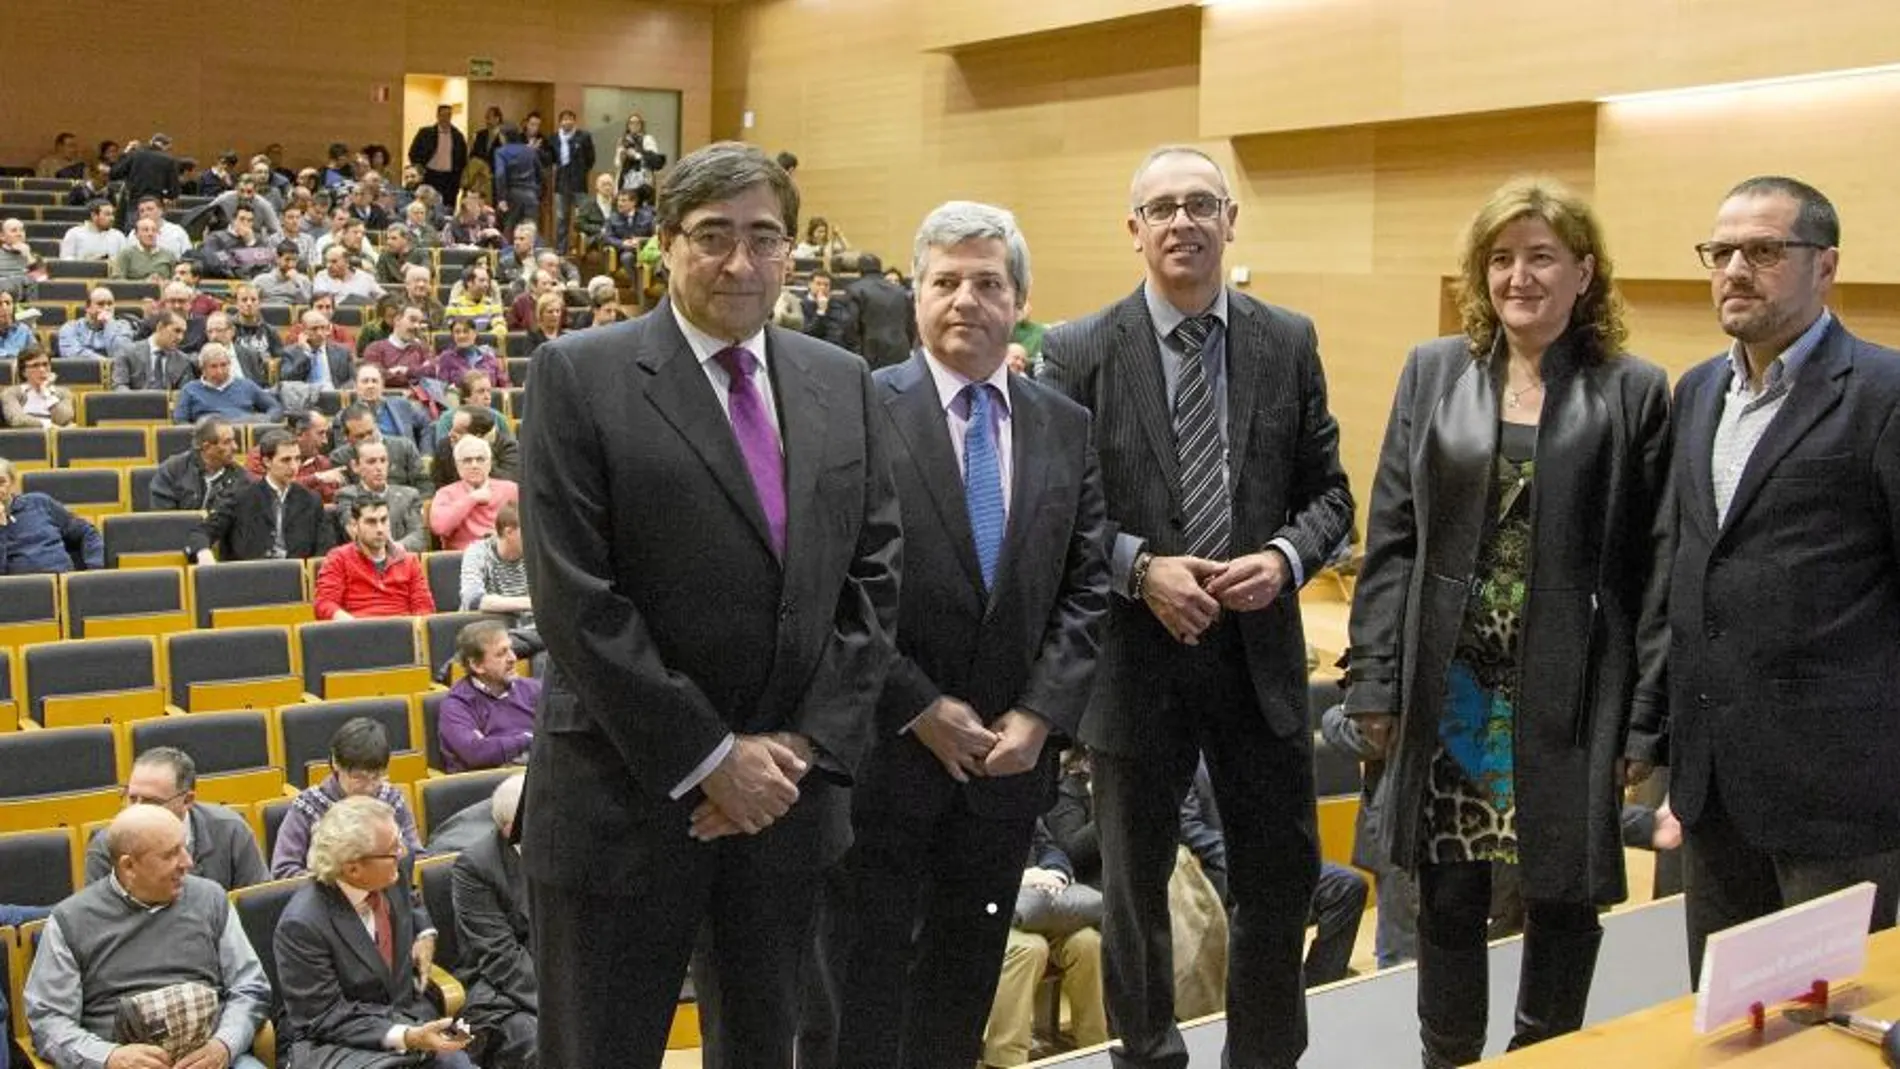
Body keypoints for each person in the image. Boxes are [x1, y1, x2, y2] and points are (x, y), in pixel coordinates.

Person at [520, 141, 902, 1068]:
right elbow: (578, 599)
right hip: (625, 797)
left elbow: (876, 572)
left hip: (785, 806)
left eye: (764, 237)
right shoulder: (579, 371)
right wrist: (709, 756)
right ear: (664, 243)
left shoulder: (837, 377)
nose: (741, 262)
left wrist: (801, 748)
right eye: (714, 236)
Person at [1036, 145, 1354, 1069]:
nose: (1184, 222)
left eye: (1201, 204)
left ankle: (1263, 1057)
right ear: (1133, 228)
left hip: (1260, 660)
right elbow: (1057, 508)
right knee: (1137, 900)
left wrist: (1285, 557)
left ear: (1229, 222)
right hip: (1134, 664)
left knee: (1278, 880)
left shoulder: (1286, 339)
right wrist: (1140, 570)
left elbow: (1331, 495)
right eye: (1163, 207)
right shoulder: (1080, 348)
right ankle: (1147, 1057)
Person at [1345, 177, 1669, 1063]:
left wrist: (1644, 717)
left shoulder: (1635, 390)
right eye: (1500, 258)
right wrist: (1373, 679)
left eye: (1540, 257)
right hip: (1451, 680)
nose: (1518, 276)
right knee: (1446, 895)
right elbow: (1394, 538)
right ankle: (1446, 1055)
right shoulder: (1433, 369)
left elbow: (1653, 572)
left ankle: (1543, 1052)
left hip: (1570, 688)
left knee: (1562, 897)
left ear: (1584, 272)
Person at [822, 201, 1109, 1069]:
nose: (966, 300)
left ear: (1020, 299)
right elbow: (833, 582)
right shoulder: (859, 409)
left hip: (1006, 772)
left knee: (960, 993)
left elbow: (1087, 583)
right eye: (945, 281)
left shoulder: (1064, 424)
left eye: (989, 283)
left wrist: (1039, 714)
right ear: (915, 296)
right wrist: (919, 705)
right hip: (885, 758)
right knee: (862, 1001)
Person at [1628, 175, 1900, 987]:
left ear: (1826, 266)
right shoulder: (1698, 392)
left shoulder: (1885, 394)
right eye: (1722, 251)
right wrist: (1653, 734)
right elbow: (1684, 575)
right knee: (1725, 1023)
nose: (1735, 269)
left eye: (1764, 250)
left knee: (1828, 1026)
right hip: (1713, 796)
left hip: (1842, 799)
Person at [25, 806, 271, 1069]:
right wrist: (108, 1057)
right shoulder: (71, 920)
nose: (187, 862)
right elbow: (48, 1020)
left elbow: (250, 987)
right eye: (170, 855)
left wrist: (225, 1044)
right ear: (129, 866)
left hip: (210, 1055)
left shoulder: (211, 898)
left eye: (184, 847)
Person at [274, 796, 473, 1069]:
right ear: (353, 868)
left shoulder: (394, 869)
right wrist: (406, 1036)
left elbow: (411, 900)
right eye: (393, 850)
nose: (403, 852)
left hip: (407, 1016)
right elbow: (324, 1017)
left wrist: (425, 932)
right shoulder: (302, 925)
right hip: (340, 1043)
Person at [82, 746, 269, 890]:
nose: (138, 810)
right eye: (132, 798)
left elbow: (255, 904)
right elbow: (99, 924)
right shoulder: (106, 845)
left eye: (151, 801)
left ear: (187, 800)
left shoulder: (231, 830)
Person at [451, 772, 537, 1068]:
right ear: (512, 829)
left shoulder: (567, 847)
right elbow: (499, 956)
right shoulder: (476, 867)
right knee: (542, 1043)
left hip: (563, 977)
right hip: (503, 989)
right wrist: (559, 1003)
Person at [271, 718, 426, 878]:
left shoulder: (392, 798)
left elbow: (416, 857)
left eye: (377, 776)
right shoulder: (308, 805)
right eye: (359, 777)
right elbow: (283, 871)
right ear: (336, 763)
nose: (369, 786)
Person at [189, 428, 336, 563]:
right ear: (267, 461)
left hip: (295, 581)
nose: (293, 467)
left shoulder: (311, 500)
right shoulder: (240, 497)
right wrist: (204, 553)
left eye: (297, 459)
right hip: (249, 580)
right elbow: (201, 533)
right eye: (286, 460)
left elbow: (325, 549)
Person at [439, 620, 542, 773]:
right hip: (486, 787)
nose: (513, 658)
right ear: (477, 665)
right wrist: (527, 739)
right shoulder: (457, 705)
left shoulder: (534, 689)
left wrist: (502, 746)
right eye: (501, 654)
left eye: (511, 649)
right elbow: (475, 752)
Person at [314, 496, 435, 621]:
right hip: (357, 631)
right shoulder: (338, 558)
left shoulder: (409, 560)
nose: (380, 529)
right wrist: (351, 625)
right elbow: (324, 603)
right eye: (371, 522)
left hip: (402, 631)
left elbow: (424, 607)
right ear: (354, 525)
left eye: (384, 520)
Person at [0, 457, 103, 575]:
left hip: (63, 580)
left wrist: (94, 570)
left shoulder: (39, 502)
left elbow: (87, 532)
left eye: (1, 482)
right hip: (21, 589)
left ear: (12, 483)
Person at [334, 439, 427, 553]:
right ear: (355, 466)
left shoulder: (409, 496)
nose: (379, 468)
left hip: (401, 561)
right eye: (371, 462)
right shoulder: (346, 495)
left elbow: (418, 537)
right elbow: (355, 532)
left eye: (383, 460)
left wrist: (396, 548)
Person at [429, 435, 518, 551]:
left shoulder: (511, 489)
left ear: (490, 463)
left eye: (480, 459)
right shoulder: (446, 493)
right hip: (461, 559)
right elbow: (440, 528)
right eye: (467, 460)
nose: (474, 465)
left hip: (506, 557)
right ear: (457, 465)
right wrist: (472, 499)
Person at [152, 416, 251, 513]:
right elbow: (164, 520)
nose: (235, 447)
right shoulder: (171, 471)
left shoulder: (241, 477)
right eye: (227, 442)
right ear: (207, 447)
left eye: (233, 440)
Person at [333, 403, 432, 495]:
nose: (368, 438)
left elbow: (424, 485)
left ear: (376, 425)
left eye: (370, 432)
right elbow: (344, 497)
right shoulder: (340, 458)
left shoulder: (404, 447)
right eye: (360, 436)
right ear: (346, 437)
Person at [459, 501, 532, 626]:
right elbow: (473, 599)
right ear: (508, 532)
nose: (535, 537)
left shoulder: (535, 554)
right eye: (529, 531)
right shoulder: (478, 553)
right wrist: (531, 603)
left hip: (529, 632)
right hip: (488, 630)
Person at [173, 343, 283, 424]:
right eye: (213, 366)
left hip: (245, 430)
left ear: (230, 364)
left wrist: (265, 421)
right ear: (203, 369)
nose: (220, 371)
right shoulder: (190, 389)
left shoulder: (246, 385)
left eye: (223, 365)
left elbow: (275, 407)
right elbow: (180, 420)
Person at [846, 252, 916, 370]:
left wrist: (855, 352)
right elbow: (911, 324)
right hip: (901, 351)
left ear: (859, 269)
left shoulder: (855, 290)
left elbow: (851, 326)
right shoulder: (900, 291)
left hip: (871, 353)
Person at [550, 110, 597, 254]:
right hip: (561, 182)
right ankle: (560, 249)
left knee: (581, 217)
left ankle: (579, 248)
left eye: (570, 119)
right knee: (561, 218)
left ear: (574, 121)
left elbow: (591, 158)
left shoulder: (583, 136)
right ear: (560, 122)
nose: (567, 122)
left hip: (578, 183)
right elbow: (551, 158)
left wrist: (582, 170)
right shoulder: (554, 138)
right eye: (564, 119)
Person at [361, 304, 439, 390]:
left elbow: (433, 371)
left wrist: (405, 371)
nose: (417, 326)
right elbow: (377, 376)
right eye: (412, 320)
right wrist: (419, 374)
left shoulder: (423, 348)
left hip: (418, 400)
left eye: (420, 322)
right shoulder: (375, 348)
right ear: (397, 320)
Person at [352, 363, 428, 450]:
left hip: (404, 460)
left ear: (382, 385)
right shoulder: (344, 417)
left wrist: (426, 455)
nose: (370, 386)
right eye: (365, 381)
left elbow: (427, 424)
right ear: (355, 386)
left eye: (374, 381)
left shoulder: (401, 405)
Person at [409, 103, 469, 207]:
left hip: (450, 178)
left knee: (448, 205)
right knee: (427, 203)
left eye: (448, 115)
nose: (446, 118)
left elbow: (463, 158)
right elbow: (413, 152)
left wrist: (459, 177)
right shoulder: (426, 133)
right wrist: (419, 169)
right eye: (443, 115)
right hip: (430, 175)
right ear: (437, 116)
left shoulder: (457, 136)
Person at [3, 350, 74, 429]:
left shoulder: (63, 393)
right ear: (24, 372)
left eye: (45, 364)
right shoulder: (11, 393)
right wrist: (48, 425)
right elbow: (17, 420)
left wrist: (47, 393)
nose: (42, 370)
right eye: (35, 365)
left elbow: (63, 419)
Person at [491, 126, 541, 238]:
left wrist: (501, 198)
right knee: (530, 231)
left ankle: (508, 255)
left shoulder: (501, 152)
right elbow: (539, 172)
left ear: (504, 137)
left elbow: (500, 175)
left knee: (510, 229)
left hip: (512, 195)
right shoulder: (529, 150)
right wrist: (537, 191)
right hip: (531, 194)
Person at [58, 287, 134, 360]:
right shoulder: (70, 328)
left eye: (110, 304)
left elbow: (122, 355)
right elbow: (73, 354)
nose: (107, 308)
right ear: (88, 308)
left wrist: (109, 324)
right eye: (100, 304)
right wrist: (106, 362)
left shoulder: (123, 326)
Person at [437, 322, 510, 390]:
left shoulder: (489, 358)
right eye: (457, 332)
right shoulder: (446, 358)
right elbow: (443, 389)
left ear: (475, 334)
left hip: (489, 401)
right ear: (453, 336)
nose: (461, 336)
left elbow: (505, 386)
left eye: (466, 331)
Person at [800, 270, 854, 350]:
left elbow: (848, 331)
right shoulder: (801, 305)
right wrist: (821, 311)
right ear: (810, 284)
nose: (822, 288)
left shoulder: (838, 305)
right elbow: (808, 334)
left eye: (826, 285)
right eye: (818, 284)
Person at [58, 199, 125, 263]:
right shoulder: (74, 233)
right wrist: (88, 262)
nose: (112, 218)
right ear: (94, 215)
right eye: (107, 214)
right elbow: (65, 260)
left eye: (112, 214)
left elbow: (125, 261)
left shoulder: (118, 236)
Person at [615, 112, 662, 193]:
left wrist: (636, 155)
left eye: (637, 123)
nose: (634, 125)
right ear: (628, 125)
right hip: (626, 178)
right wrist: (621, 156)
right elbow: (617, 164)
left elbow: (653, 160)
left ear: (641, 125)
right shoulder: (622, 140)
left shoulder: (648, 139)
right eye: (631, 123)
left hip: (643, 178)